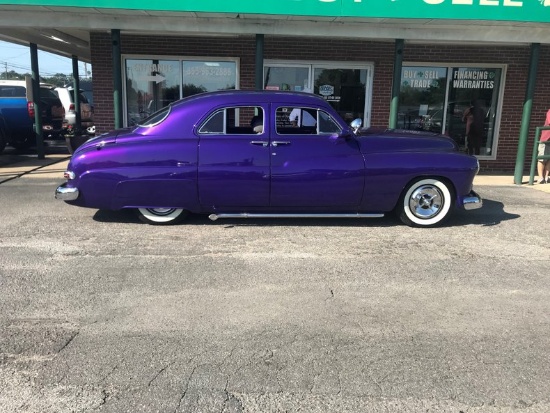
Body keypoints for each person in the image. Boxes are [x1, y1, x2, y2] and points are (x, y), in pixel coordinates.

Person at [537, 109, 550, 184]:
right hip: (546, 139)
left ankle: (546, 177)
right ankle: (540, 177)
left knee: (549, 159)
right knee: (542, 158)